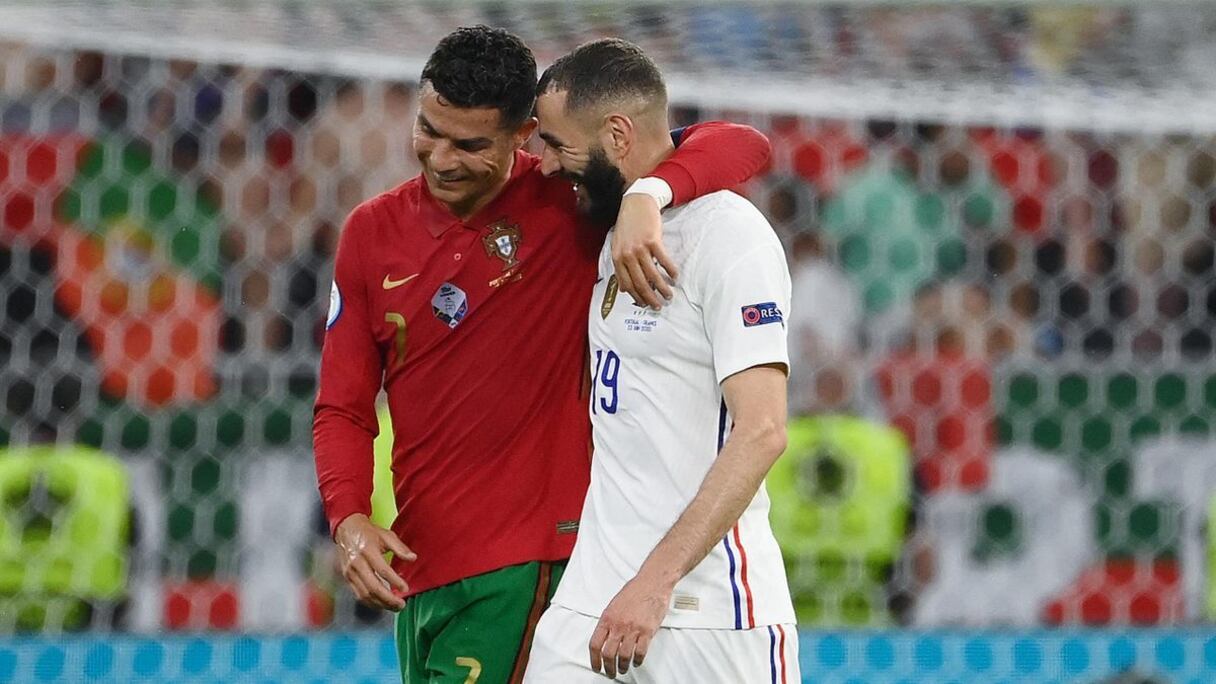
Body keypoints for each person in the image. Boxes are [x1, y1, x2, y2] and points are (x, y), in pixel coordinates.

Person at [312, 26, 773, 684]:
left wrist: (650, 194)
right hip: (423, 569)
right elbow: (342, 405)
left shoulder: (566, 203)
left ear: (522, 134)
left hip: (531, 569)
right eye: (428, 130)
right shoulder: (371, 233)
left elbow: (742, 145)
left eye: (469, 144)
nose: (440, 159)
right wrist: (350, 516)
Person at [525, 39, 798, 682]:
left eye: (558, 146)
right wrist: (646, 195)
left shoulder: (730, 236)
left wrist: (656, 582)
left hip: (710, 616)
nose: (544, 166)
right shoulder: (614, 232)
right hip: (591, 604)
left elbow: (762, 432)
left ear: (617, 135)